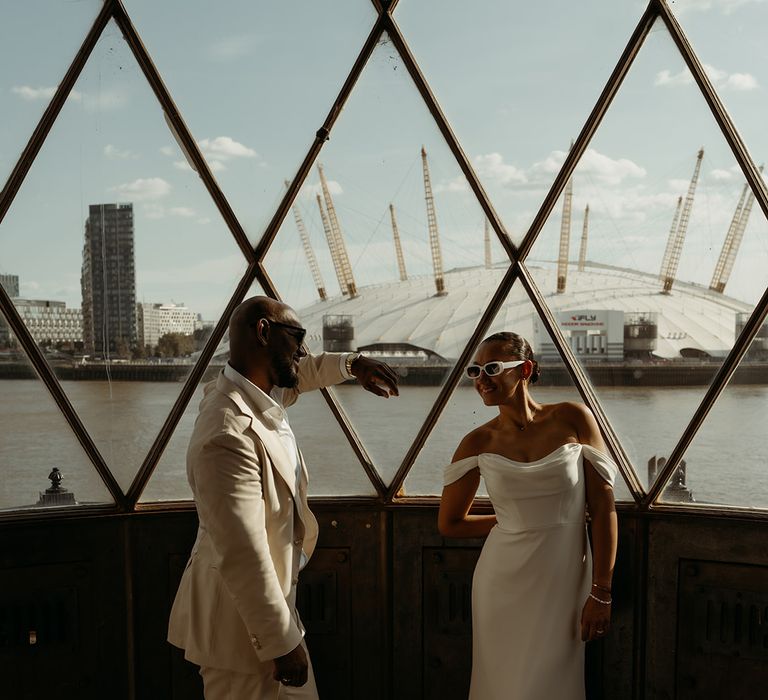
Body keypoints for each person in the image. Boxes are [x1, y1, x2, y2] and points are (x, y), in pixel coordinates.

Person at [168, 296, 399, 699]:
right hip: (240, 634)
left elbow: (303, 374)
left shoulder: (258, 395)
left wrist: (353, 365)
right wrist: (281, 644)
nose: (302, 349)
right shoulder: (226, 430)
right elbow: (242, 549)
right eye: (297, 337)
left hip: (268, 619)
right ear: (263, 333)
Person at [438, 332, 618, 700]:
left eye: (492, 368)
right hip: (500, 583)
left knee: (554, 680)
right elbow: (449, 523)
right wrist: (512, 522)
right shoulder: (477, 442)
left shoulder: (573, 417)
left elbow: (603, 508)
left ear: (525, 369)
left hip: (565, 580)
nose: (481, 380)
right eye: (475, 370)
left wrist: (602, 591)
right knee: (503, 685)